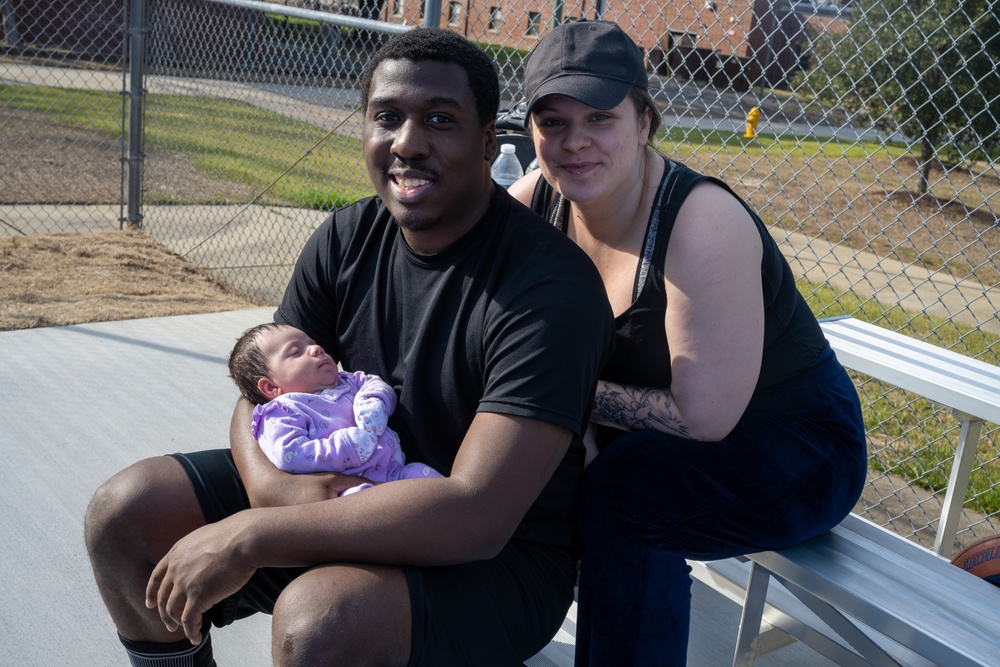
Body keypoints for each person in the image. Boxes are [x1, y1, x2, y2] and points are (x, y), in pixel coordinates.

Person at [84, 27, 615, 667]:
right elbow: (258, 394)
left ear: (485, 142)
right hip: (341, 489)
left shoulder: (549, 287)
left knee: (322, 621)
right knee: (126, 515)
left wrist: (254, 535)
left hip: (494, 559)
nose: (408, 143)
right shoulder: (347, 236)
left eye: (440, 120)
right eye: (387, 117)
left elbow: (479, 514)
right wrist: (273, 495)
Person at [508, 20, 868, 666]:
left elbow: (702, 418)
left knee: (627, 496)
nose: (575, 142)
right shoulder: (537, 200)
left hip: (797, 443)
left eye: (599, 117)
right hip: (653, 426)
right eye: (553, 121)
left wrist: (564, 397)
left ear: (644, 122)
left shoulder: (702, 222)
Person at [228, 322, 442, 493]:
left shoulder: (348, 381)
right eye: (295, 352)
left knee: (432, 482)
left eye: (312, 343)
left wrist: (373, 401)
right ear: (271, 386)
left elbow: (376, 385)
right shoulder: (283, 411)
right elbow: (290, 454)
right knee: (365, 510)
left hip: (397, 473)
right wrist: (347, 447)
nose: (316, 348)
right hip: (348, 488)